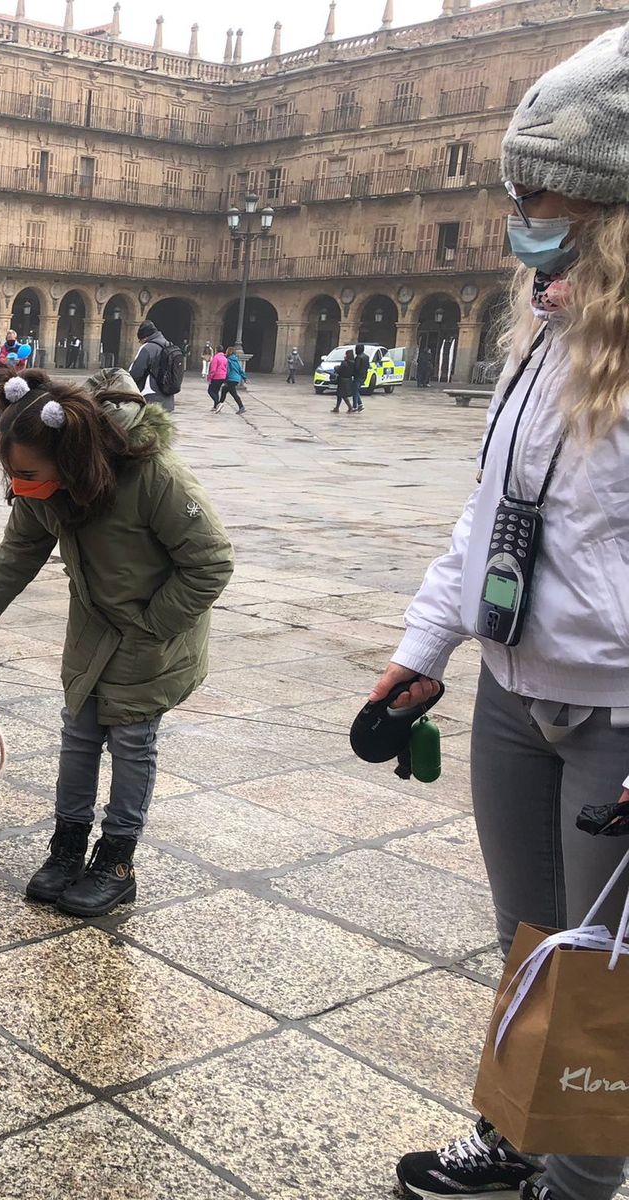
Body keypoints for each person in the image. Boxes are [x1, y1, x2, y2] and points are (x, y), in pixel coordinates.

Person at [386, 34, 629, 1200]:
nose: (516, 218)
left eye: (535, 194)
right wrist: (423, 650)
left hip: (617, 723)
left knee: (606, 979)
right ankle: (513, 1135)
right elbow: (491, 512)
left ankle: (580, 1189)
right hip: (511, 696)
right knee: (530, 948)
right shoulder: (546, 332)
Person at [0, 369, 231, 917]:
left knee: (133, 744)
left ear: (71, 457)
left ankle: (116, 861)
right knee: (80, 735)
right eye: (11, 471)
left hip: (153, 635)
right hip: (93, 627)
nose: (18, 484)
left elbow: (210, 562)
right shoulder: (43, 487)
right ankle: (66, 849)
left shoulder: (154, 475)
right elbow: (18, 551)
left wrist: (153, 624)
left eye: (27, 473)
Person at [129, 320, 176, 412]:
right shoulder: (169, 345)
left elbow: (135, 373)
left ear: (145, 337)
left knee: (146, 425)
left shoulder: (147, 347)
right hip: (168, 399)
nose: (140, 343)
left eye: (140, 340)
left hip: (150, 397)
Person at [219, 343, 247, 413]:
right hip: (236, 379)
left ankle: (241, 407)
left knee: (234, 393)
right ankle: (219, 404)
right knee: (224, 390)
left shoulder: (228, 360)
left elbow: (227, 370)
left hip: (231, 379)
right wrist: (244, 377)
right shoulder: (236, 360)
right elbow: (240, 370)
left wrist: (224, 379)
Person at [332, 349, 358, 414]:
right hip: (348, 380)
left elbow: (339, 370)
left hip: (342, 380)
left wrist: (336, 368)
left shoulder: (345, 362)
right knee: (340, 395)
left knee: (342, 395)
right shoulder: (353, 363)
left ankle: (350, 407)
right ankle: (337, 407)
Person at [207, 344, 229, 409]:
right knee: (216, 391)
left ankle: (218, 403)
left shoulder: (216, 358)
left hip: (216, 376)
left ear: (216, 350)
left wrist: (210, 377)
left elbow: (213, 369)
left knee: (210, 390)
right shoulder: (225, 358)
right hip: (223, 377)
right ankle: (215, 406)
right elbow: (226, 368)